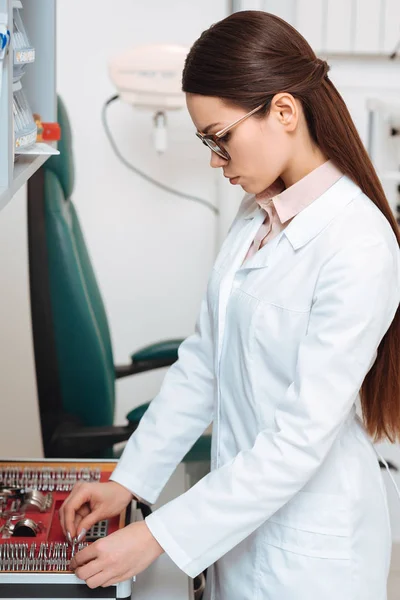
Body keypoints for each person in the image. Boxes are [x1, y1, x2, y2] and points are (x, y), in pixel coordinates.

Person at [59, 10, 400, 600]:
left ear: (284, 112)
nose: (216, 163)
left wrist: (157, 536)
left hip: (311, 563)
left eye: (221, 138)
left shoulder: (359, 244)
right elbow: (203, 364)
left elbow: (298, 440)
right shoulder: (257, 215)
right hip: (239, 536)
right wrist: (131, 481)